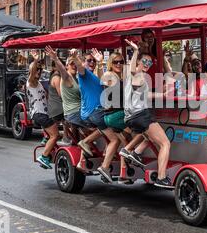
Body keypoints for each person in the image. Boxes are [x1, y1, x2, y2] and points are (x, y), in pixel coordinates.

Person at [121, 39, 172, 189]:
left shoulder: (139, 77)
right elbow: (132, 69)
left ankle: (135, 152)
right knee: (165, 143)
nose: (147, 64)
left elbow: (146, 95)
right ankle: (161, 177)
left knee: (150, 137)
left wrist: (162, 95)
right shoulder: (137, 74)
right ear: (138, 61)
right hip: (140, 115)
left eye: (150, 62)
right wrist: (135, 51)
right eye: (144, 61)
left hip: (130, 117)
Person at [72, 49, 121, 184]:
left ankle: (87, 146)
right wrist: (75, 58)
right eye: (89, 60)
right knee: (115, 139)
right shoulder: (84, 74)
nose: (91, 62)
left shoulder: (93, 75)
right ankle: (105, 167)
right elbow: (80, 67)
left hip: (93, 113)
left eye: (92, 60)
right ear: (83, 62)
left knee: (110, 126)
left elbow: (103, 81)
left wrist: (100, 62)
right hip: (95, 112)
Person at [44, 47, 102, 157]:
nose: (74, 65)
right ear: (67, 66)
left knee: (94, 126)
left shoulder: (77, 78)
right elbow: (62, 70)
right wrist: (56, 59)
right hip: (74, 113)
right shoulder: (67, 77)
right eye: (71, 63)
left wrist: (99, 63)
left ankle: (84, 157)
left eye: (75, 63)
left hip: (78, 112)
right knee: (103, 126)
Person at [26, 50, 59, 170]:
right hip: (39, 113)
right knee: (55, 135)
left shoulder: (39, 83)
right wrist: (35, 61)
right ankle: (44, 156)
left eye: (40, 70)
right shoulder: (31, 82)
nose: (39, 72)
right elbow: (33, 72)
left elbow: (47, 96)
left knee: (57, 119)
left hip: (44, 113)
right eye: (37, 70)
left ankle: (46, 138)